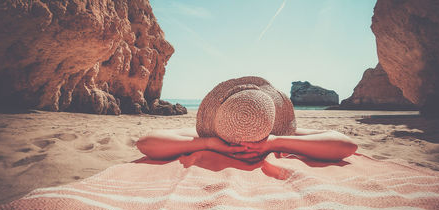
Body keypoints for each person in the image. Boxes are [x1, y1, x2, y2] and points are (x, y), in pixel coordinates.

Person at [137, 76, 357, 162]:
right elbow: (145, 143)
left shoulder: (276, 134)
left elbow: (347, 145)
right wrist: (209, 142)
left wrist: (275, 142)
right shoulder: (218, 133)